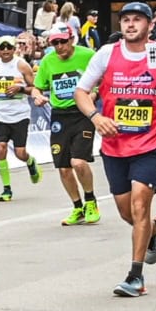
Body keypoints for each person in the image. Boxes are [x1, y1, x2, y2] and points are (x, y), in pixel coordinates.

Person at [74, 1, 156, 298]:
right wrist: (97, 117)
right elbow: (82, 91)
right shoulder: (107, 54)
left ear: (149, 25)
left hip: (151, 143)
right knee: (126, 212)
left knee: (140, 205)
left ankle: (135, 276)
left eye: (137, 20)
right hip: (114, 144)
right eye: (125, 20)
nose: (130, 24)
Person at [34, 24, 100, 226]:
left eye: (63, 41)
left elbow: (100, 81)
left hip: (82, 113)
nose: (60, 46)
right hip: (60, 116)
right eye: (55, 43)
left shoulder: (88, 55)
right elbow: (37, 87)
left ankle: (91, 201)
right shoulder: (48, 61)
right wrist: (37, 97)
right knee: (63, 168)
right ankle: (77, 206)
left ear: (72, 39)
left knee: (78, 162)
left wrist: (92, 96)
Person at [0, 35, 40, 202]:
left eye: (9, 48)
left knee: (20, 152)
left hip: (19, 114)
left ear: (14, 49)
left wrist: (20, 88)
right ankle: (6, 189)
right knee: (1, 147)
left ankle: (30, 162)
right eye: (2, 48)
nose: (6, 51)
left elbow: (35, 88)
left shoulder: (21, 65)